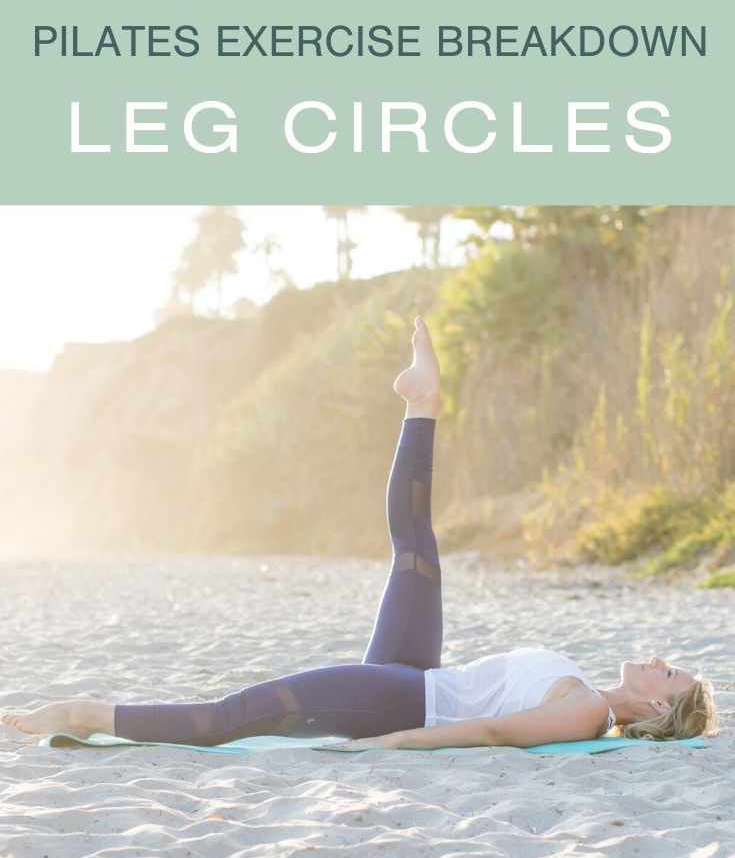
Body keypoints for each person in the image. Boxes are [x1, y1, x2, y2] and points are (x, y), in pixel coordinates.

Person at [2, 316, 718, 751]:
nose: (657, 659)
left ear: (657, 707)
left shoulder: (588, 710)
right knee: (416, 547)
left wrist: (398, 742)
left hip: (399, 703)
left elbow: (492, 734)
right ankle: (422, 403)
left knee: (235, 716)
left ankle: (78, 710)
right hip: (417, 676)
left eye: (669, 671)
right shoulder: (586, 694)